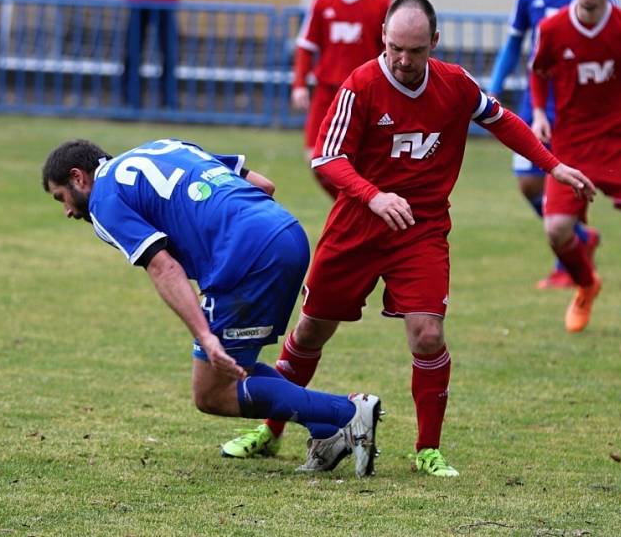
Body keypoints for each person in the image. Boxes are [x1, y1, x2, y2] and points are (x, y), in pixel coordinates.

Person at [222, 0, 594, 477]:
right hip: (356, 228)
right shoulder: (361, 85)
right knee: (312, 329)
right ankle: (269, 432)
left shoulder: (456, 85)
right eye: (395, 47)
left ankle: (427, 450)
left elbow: (502, 121)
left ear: (434, 44)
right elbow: (326, 158)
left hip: (421, 231)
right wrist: (373, 195)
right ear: (383, 38)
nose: (402, 59)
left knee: (428, 334)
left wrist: (553, 165)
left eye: (414, 50)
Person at [42, 138, 383, 477]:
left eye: (62, 198)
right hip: (285, 232)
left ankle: (348, 413)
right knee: (236, 366)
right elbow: (264, 184)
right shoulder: (165, 146)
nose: (68, 211)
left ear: (79, 177)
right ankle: (326, 433)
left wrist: (205, 334)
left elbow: (165, 268)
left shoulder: (104, 201)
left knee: (210, 393)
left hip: (244, 255)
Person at [489, 0, 610, 290]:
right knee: (528, 182)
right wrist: (495, 85)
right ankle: (581, 237)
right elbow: (514, 41)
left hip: (580, 106)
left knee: (568, 182)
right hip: (537, 102)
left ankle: (566, 263)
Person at [530, 0, 621, 333]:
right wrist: (540, 113)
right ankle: (587, 284)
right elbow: (539, 73)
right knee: (556, 230)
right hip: (572, 146)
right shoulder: (553, 29)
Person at [292, 0, 390, 199]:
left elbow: (388, 52)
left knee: (358, 159)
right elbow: (306, 45)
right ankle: (354, 204)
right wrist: (300, 84)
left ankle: (359, 206)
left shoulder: (382, 3)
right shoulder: (323, 0)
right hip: (326, 92)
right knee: (315, 156)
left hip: (363, 95)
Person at [121, 0, 182, 109]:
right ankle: (130, 101)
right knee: (132, 52)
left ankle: (169, 102)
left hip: (165, 2)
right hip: (138, 2)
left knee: (169, 53)